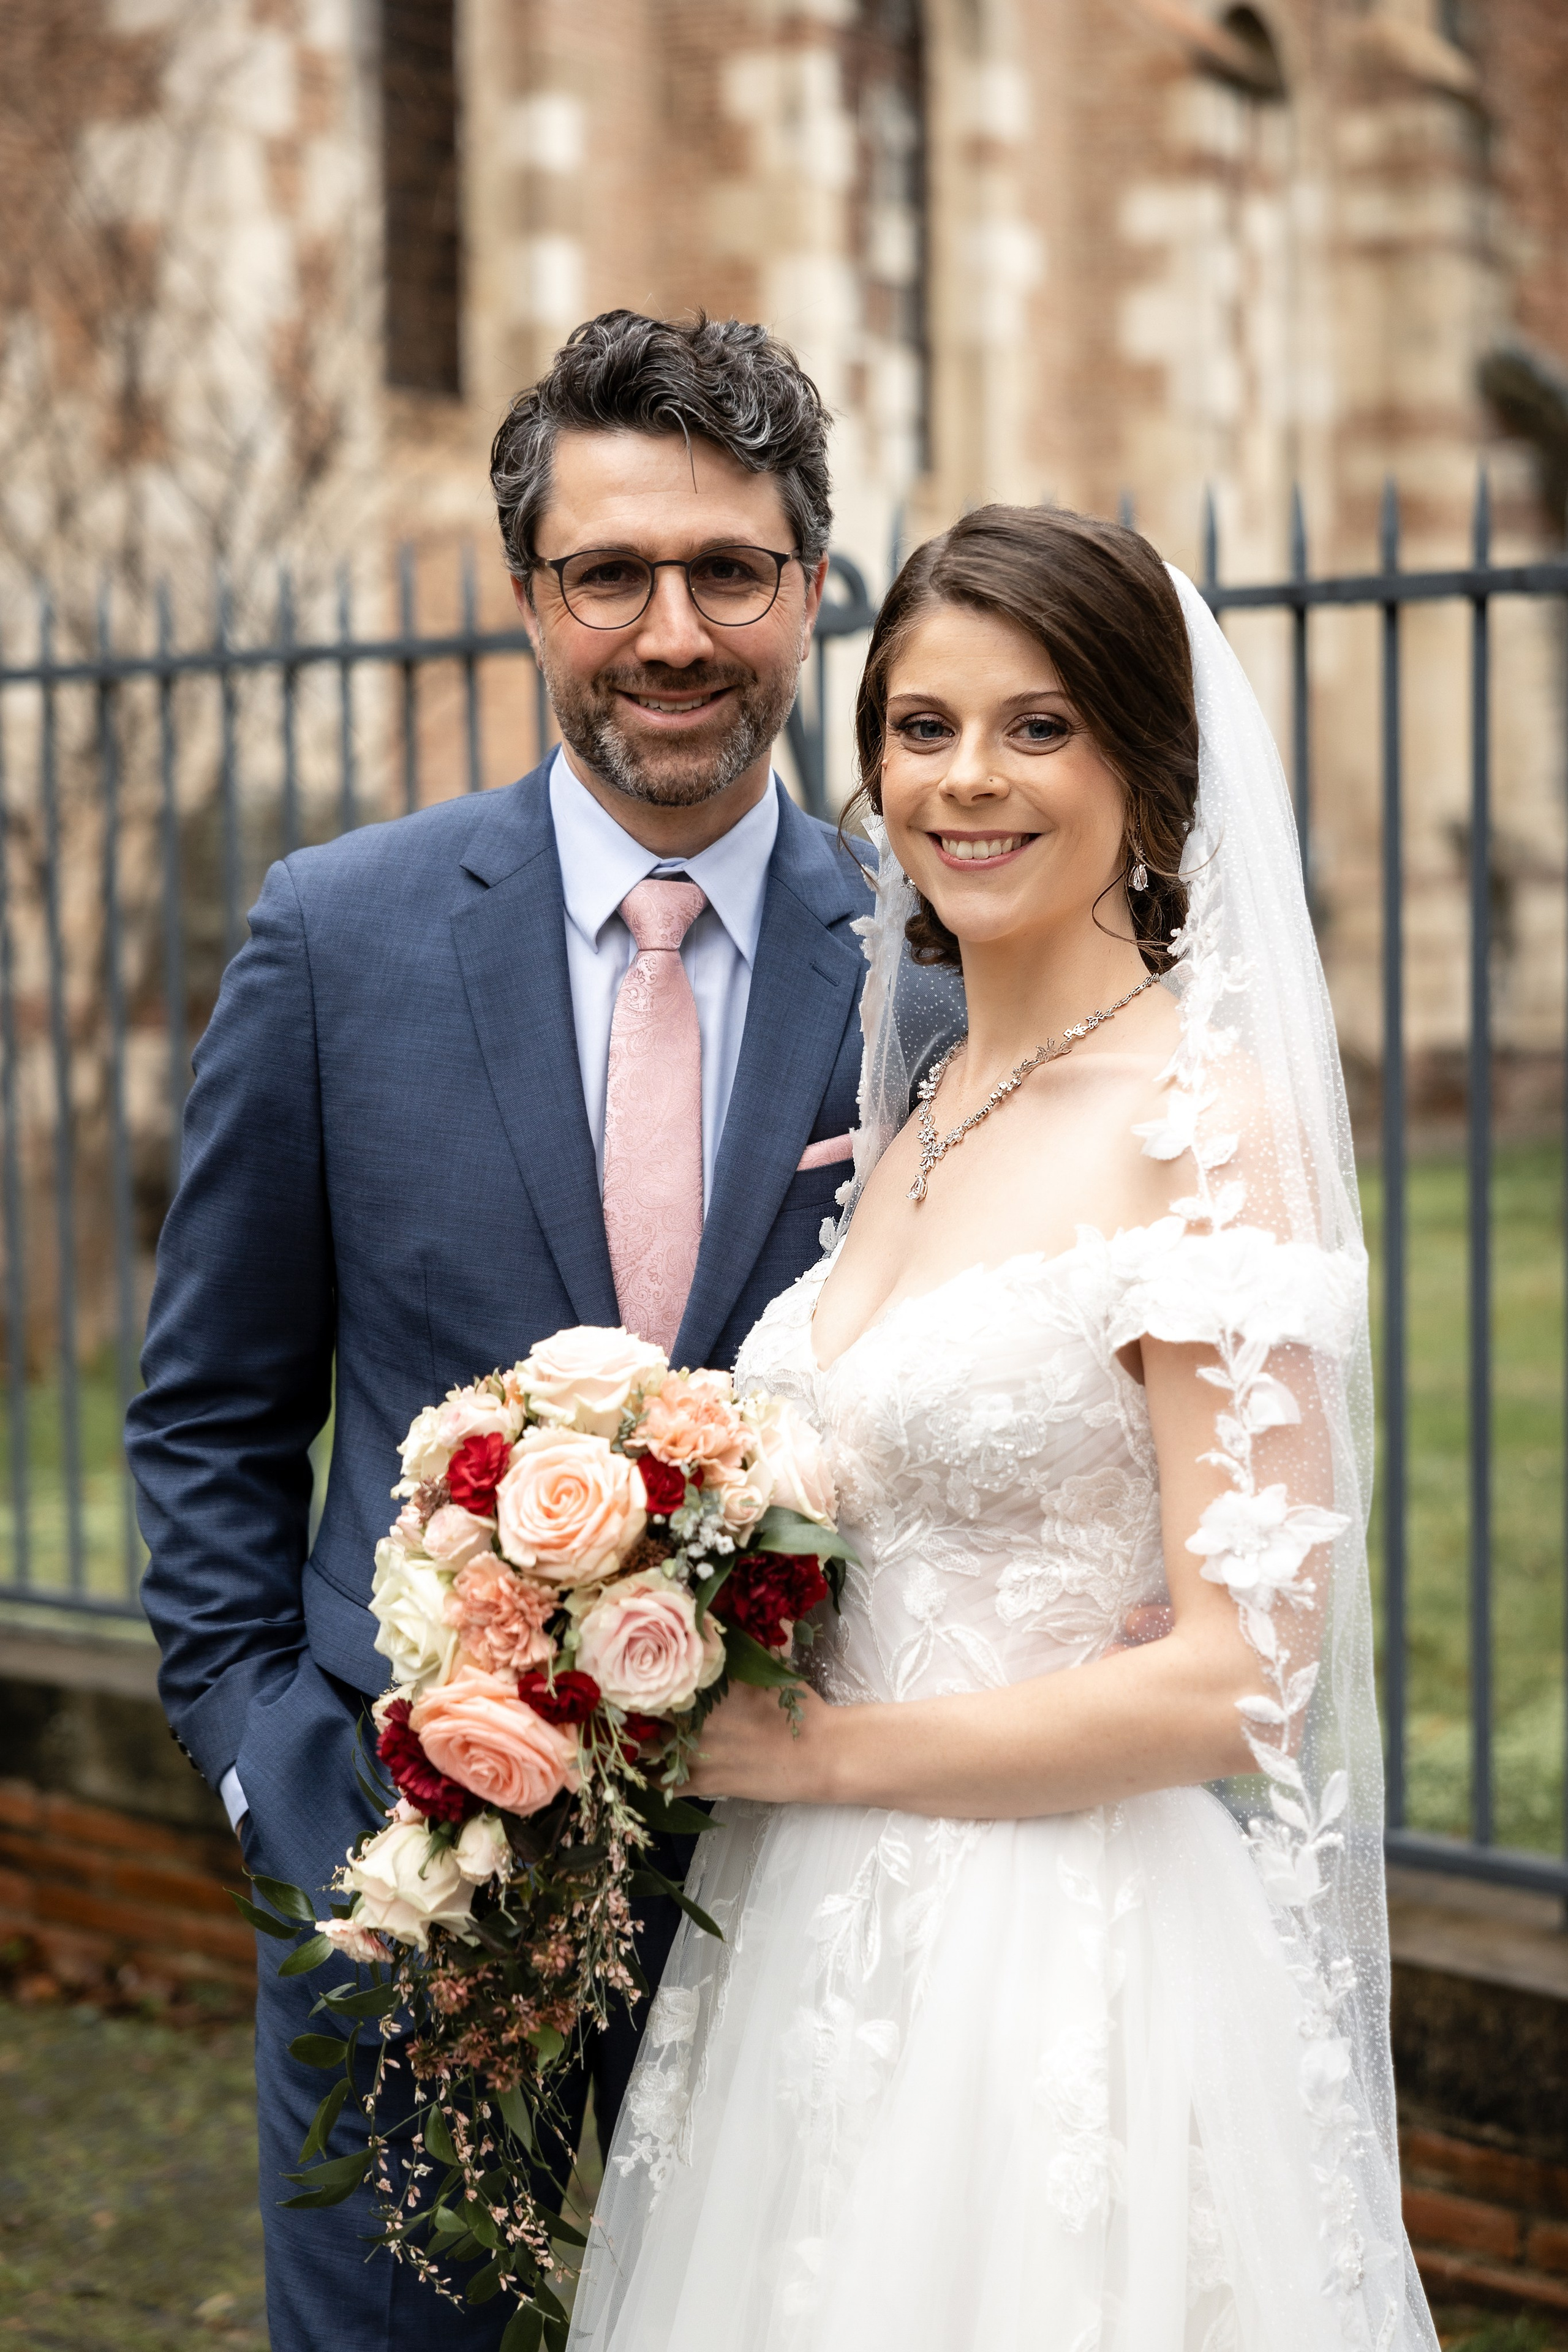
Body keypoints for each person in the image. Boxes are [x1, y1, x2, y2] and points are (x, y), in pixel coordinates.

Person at [568, 508, 1440, 2351]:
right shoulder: (927, 1100)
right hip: (809, 1947)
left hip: (1059, 1965)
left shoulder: (1202, 1122)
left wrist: (823, 1760)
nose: (968, 779)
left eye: (1040, 727)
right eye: (924, 726)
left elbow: (1247, 1682)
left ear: (1151, 766)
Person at [125, 309, 882, 2352]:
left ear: (811, 586)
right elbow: (209, 1409)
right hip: (407, 1875)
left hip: (812, 1890)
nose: (672, 633)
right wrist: (268, 1764)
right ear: (530, 593)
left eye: (728, 571)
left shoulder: (926, 963)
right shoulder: (335, 936)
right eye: (609, 573)